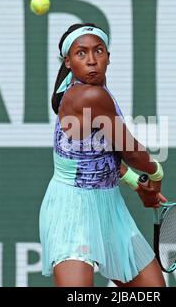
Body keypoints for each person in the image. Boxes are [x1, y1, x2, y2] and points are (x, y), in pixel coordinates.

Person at [39, 22, 167, 287]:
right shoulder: (89, 96)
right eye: (81, 53)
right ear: (68, 62)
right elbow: (130, 152)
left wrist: (134, 182)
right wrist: (155, 173)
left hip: (109, 206)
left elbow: (101, 155)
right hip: (71, 207)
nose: (92, 61)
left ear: (109, 56)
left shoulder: (97, 94)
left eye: (98, 51)